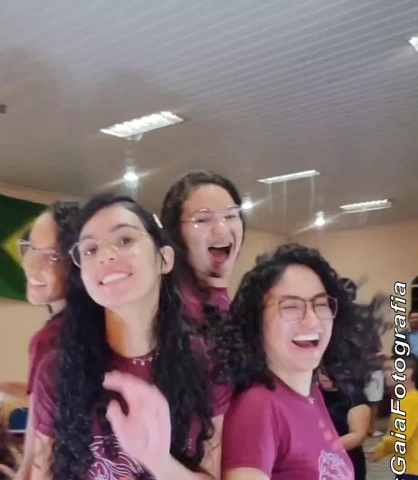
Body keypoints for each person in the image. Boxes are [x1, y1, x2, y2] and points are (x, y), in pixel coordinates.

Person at [30, 193, 231, 480]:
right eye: (90, 250)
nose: (106, 255)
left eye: (125, 240)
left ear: (164, 259)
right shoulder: (57, 370)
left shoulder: (207, 363)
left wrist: (161, 463)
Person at [219, 244, 382, 480]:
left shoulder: (311, 392)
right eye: (291, 307)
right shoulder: (258, 407)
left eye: (320, 304)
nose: (312, 320)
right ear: (256, 321)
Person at [0, 201, 80, 480]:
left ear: (78, 262)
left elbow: (45, 447)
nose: (30, 264)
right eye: (30, 248)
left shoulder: (61, 337)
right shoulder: (62, 331)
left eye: (51, 256)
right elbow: (46, 398)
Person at [161, 170, 245, 326]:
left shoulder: (236, 309)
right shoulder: (168, 313)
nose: (222, 229)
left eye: (230, 216)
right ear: (175, 233)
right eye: (203, 220)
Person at [368, 354, 418, 479]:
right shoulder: (406, 399)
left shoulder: (409, 401)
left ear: (408, 372)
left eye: (390, 369)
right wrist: (381, 449)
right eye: (385, 369)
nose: (386, 374)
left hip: (412, 469)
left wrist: (382, 447)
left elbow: (400, 437)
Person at [318, 372, 370, 480]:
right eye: (321, 372)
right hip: (317, 460)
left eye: (328, 372)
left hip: (346, 459)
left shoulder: (354, 397)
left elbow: (357, 435)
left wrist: (321, 448)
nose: (323, 377)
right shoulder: (314, 392)